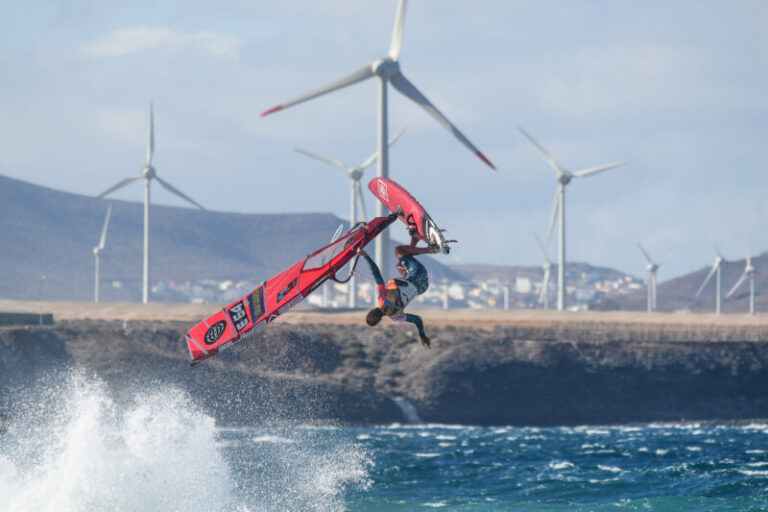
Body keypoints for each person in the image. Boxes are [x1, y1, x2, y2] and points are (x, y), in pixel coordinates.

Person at [357, 234, 440, 348]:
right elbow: (376, 272)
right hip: (417, 274)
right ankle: (433, 248)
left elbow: (417, 319)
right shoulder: (382, 298)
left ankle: (414, 240)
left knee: (400, 265)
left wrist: (422, 335)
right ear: (372, 310)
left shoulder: (397, 317)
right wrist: (365, 255)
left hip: (422, 287)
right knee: (399, 251)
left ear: (380, 319)